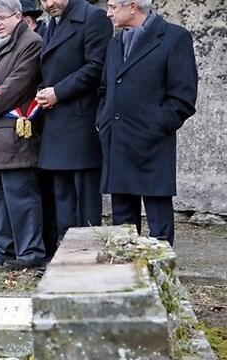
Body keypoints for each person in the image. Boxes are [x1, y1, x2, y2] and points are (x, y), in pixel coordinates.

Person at [98, 0, 198, 245]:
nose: (108, 13)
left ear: (132, 6)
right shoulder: (115, 43)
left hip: (153, 144)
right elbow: (104, 88)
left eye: (112, 6)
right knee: (122, 220)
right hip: (117, 140)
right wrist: (103, 121)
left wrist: (155, 126)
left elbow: (183, 97)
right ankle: (125, 274)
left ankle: (161, 273)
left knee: (158, 218)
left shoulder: (174, 38)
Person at [0, 0, 45, 269]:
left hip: (12, 133)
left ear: (18, 16)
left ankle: (29, 252)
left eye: (3, 17)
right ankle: (2, 248)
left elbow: (17, 84)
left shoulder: (30, 42)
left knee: (20, 198)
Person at [35, 0, 113, 243]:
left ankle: (87, 252)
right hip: (56, 121)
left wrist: (58, 92)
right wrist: (43, 91)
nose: (49, 4)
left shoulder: (94, 18)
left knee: (85, 197)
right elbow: (49, 70)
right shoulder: (53, 24)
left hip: (81, 121)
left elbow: (96, 67)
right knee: (63, 195)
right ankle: (65, 251)